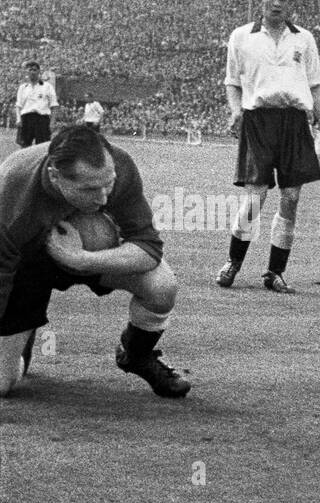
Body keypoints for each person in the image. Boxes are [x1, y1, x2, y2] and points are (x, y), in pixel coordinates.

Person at [0, 124, 190, 397]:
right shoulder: (11, 191)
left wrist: (82, 259)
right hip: (25, 267)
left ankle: (136, 354)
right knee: (2, 385)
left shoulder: (119, 163)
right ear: (55, 176)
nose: (103, 197)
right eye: (89, 189)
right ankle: (20, 345)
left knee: (162, 286)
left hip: (84, 251)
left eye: (108, 184)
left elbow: (148, 247)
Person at [219, 0, 320, 293]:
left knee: (291, 197)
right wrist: (236, 110)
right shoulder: (241, 37)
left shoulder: (304, 39)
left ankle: (274, 272)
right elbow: (231, 82)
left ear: (290, 2)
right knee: (256, 197)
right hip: (259, 121)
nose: (276, 3)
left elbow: (316, 84)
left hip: (295, 122)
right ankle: (233, 263)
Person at [15, 61, 57, 147]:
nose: (32, 72)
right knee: (24, 147)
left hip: (42, 119)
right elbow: (18, 106)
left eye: (34, 70)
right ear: (26, 72)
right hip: (26, 119)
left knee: (43, 148)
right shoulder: (23, 87)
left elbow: (54, 106)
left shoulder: (47, 86)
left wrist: (52, 123)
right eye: (30, 70)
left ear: (39, 71)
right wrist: (18, 119)